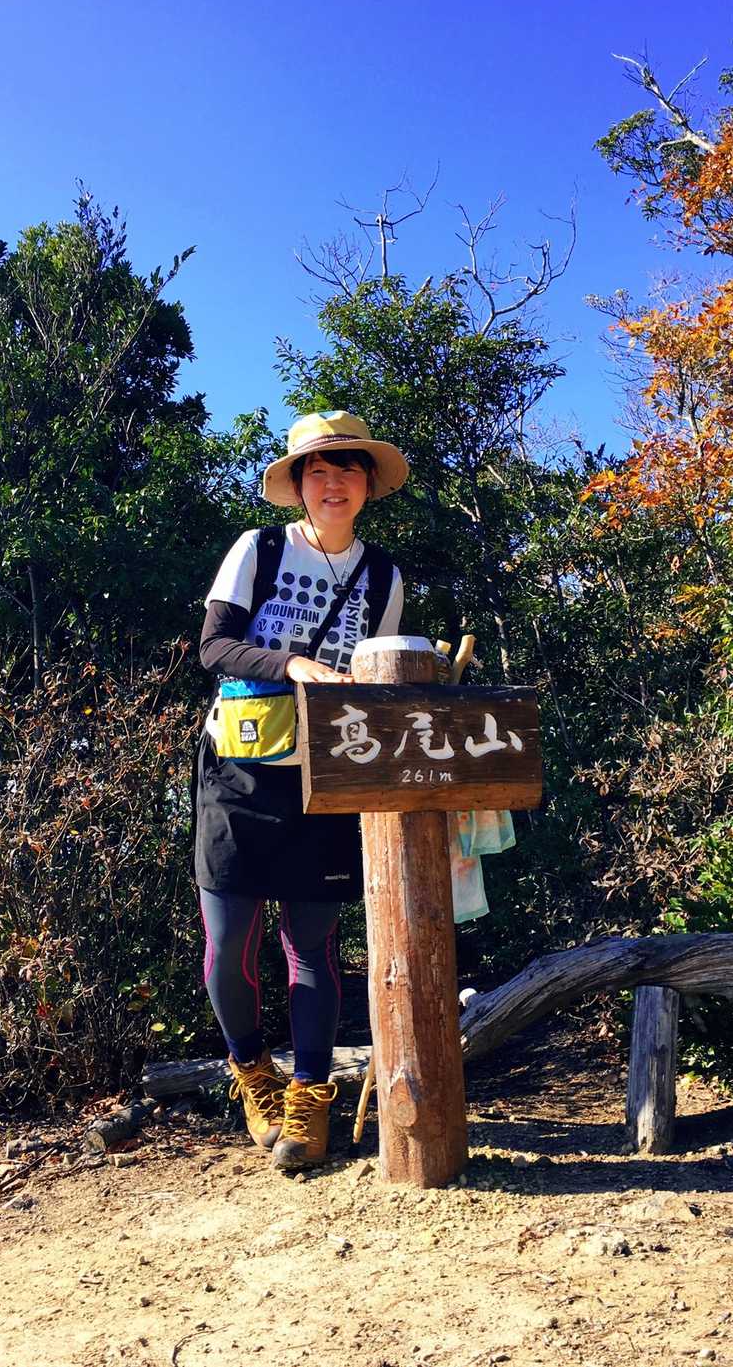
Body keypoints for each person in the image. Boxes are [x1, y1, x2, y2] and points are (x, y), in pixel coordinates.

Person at [195, 408, 409, 1170]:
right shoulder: (258, 550)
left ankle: (311, 1093)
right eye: (318, 469)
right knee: (228, 944)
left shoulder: (383, 577)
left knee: (313, 945)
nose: (333, 482)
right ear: (297, 483)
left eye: (347, 467)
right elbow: (213, 646)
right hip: (240, 770)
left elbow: (381, 678)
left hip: (326, 778)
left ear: (367, 483)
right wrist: (292, 664)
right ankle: (252, 1068)